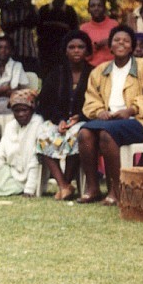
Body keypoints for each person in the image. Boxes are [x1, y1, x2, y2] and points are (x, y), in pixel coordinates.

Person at [77, 24, 143, 206]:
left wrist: (130, 110)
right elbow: (91, 98)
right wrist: (100, 111)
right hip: (109, 121)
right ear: (110, 45)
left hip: (140, 121)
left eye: (126, 41)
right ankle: (93, 188)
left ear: (132, 46)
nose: (121, 43)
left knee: (107, 134)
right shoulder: (100, 71)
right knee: (84, 132)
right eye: (117, 40)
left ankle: (116, 191)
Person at [36, 30, 93, 200]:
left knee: (77, 134)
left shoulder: (94, 74)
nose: (76, 50)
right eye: (72, 47)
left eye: (80, 47)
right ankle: (63, 184)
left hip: (82, 119)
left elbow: (98, 102)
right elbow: (45, 102)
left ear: (87, 50)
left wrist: (80, 117)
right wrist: (59, 119)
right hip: (58, 120)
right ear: (65, 51)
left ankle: (66, 183)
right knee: (42, 135)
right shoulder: (56, 73)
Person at [0, 90, 44, 197]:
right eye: (16, 111)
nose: (20, 114)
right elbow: (1, 151)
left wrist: (29, 189)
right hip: (12, 173)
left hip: (30, 178)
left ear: (32, 110)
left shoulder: (37, 124)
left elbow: (35, 159)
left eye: (24, 110)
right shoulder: (11, 126)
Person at [37, 0, 79, 79]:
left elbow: (74, 34)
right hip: (46, 56)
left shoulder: (70, 12)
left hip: (63, 56)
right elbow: (39, 32)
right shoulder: (44, 11)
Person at [0, 0, 39, 72]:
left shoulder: (31, 8)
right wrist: (23, 22)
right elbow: (6, 28)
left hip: (28, 51)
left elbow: (33, 24)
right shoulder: (6, 8)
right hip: (10, 52)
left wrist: (29, 5)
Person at [80, 0, 118, 66]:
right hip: (91, 68)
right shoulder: (83, 28)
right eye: (93, 6)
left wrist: (110, 42)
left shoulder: (114, 25)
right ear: (88, 10)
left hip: (112, 67)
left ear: (105, 9)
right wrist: (94, 47)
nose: (96, 8)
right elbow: (82, 53)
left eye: (99, 5)